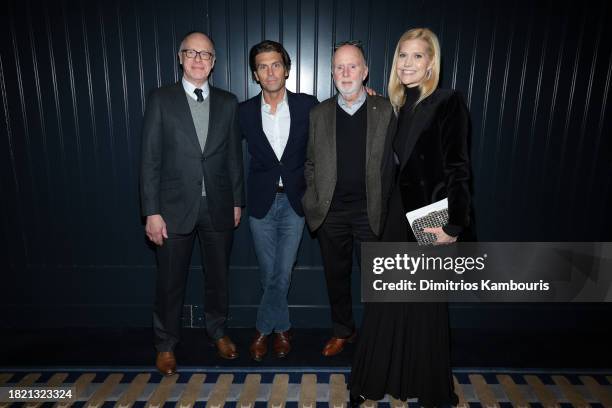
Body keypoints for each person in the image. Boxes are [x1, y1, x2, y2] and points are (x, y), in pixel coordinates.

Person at [348, 28, 471, 407]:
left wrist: (454, 224)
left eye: (417, 56)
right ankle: (374, 380)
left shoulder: (448, 102)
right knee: (385, 302)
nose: (408, 63)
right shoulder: (395, 107)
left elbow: (459, 168)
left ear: (431, 62)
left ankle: (426, 386)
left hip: (430, 217)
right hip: (393, 216)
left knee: (424, 307)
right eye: (402, 55)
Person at [140, 31, 245, 376]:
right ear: (180, 58)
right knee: (170, 281)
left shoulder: (228, 102)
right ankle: (166, 344)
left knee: (218, 278)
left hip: (218, 205)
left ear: (214, 63)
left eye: (206, 55)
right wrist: (151, 212)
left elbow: (233, 158)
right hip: (172, 209)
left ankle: (218, 331)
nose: (199, 60)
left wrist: (237, 201)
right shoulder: (160, 99)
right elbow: (150, 160)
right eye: (192, 53)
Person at [302, 41, 396, 357]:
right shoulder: (319, 114)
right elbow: (311, 162)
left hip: (371, 211)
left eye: (352, 66)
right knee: (336, 278)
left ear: (365, 72)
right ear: (331, 73)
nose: (346, 73)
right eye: (339, 67)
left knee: (377, 281)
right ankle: (343, 331)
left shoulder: (386, 110)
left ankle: (378, 337)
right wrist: (313, 199)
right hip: (332, 214)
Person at [238, 40, 318, 361]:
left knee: (281, 273)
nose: (269, 71)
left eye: (275, 64)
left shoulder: (308, 105)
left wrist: (369, 98)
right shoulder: (243, 111)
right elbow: (224, 152)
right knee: (268, 271)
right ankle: (282, 327)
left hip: (295, 202)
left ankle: (263, 330)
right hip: (260, 202)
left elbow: (337, 121)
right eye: (262, 66)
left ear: (286, 69)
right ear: (255, 74)